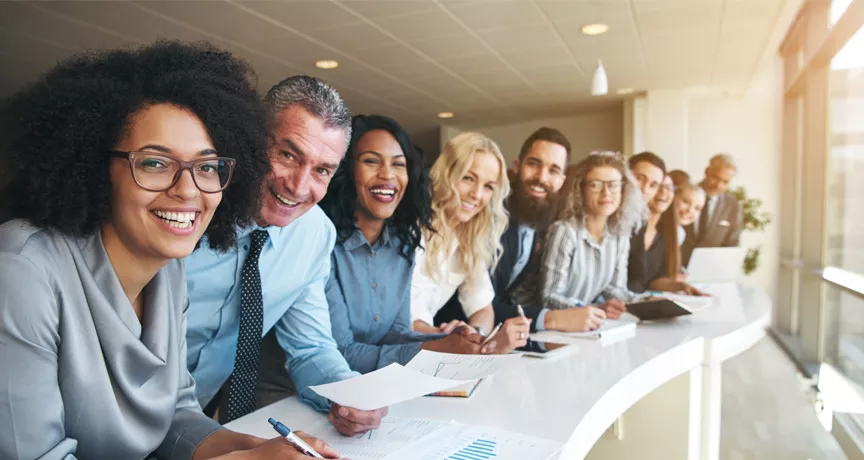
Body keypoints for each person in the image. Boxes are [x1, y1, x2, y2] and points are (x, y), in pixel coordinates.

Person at [0, 42, 338, 460]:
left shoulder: (166, 272)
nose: (187, 190)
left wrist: (256, 449)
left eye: (207, 166)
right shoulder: (21, 269)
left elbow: (174, 415)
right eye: (155, 163)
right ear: (94, 165)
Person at [184, 75, 385, 436]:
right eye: (288, 155)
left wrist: (348, 393)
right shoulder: (187, 208)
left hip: (191, 425)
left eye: (322, 170)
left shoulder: (314, 234)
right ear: (252, 141)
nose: (298, 186)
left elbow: (310, 348)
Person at [320, 115, 484, 374]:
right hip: (297, 395)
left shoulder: (403, 245)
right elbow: (340, 352)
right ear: (347, 170)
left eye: (398, 164)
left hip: (366, 388)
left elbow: (394, 333)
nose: (387, 175)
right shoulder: (324, 244)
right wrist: (432, 350)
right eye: (371, 161)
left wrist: (450, 340)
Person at [436, 127, 611, 334]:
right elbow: (478, 305)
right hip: (443, 332)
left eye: (553, 171)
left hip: (484, 334)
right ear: (517, 167)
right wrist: (551, 319)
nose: (541, 178)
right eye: (534, 164)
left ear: (561, 180)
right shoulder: (483, 217)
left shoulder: (539, 222)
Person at [410, 132, 530, 353]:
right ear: (447, 174)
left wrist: (476, 332)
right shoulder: (410, 230)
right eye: (468, 178)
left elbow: (483, 309)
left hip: (428, 351)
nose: (477, 194)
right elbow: (400, 319)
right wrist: (445, 335)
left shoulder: (469, 239)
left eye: (488, 186)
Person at [519, 152, 645, 329]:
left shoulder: (620, 235)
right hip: (550, 329)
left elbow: (613, 289)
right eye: (595, 185)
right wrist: (591, 309)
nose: (606, 193)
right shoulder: (564, 232)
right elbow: (549, 297)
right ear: (581, 189)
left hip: (586, 327)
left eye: (613, 185)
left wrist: (646, 300)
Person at [629, 174, 706, 295]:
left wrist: (681, 285)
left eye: (697, 208)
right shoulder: (639, 225)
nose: (690, 211)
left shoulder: (677, 233)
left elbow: (653, 279)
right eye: (685, 202)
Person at [682, 154, 743, 264]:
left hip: (709, 271)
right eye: (716, 178)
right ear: (707, 172)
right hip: (675, 270)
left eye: (725, 182)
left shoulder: (733, 206)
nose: (719, 185)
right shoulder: (683, 194)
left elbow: (732, 246)